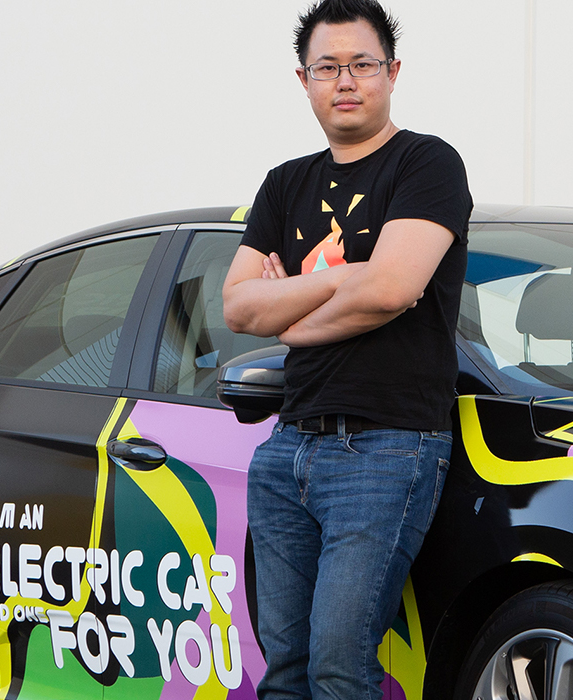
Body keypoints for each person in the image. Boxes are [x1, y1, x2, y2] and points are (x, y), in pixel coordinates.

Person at [220, 0, 471, 697]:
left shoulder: (427, 164)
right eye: (327, 67)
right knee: (285, 673)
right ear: (303, 80)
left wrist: (290, 310)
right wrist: (339, 282)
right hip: (286, 448)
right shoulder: (285, 183)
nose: (346, 80)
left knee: (340, 665)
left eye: (362, 64)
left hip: (386, 449)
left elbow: (392, 288)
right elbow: (237, 305)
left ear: (392, 72)